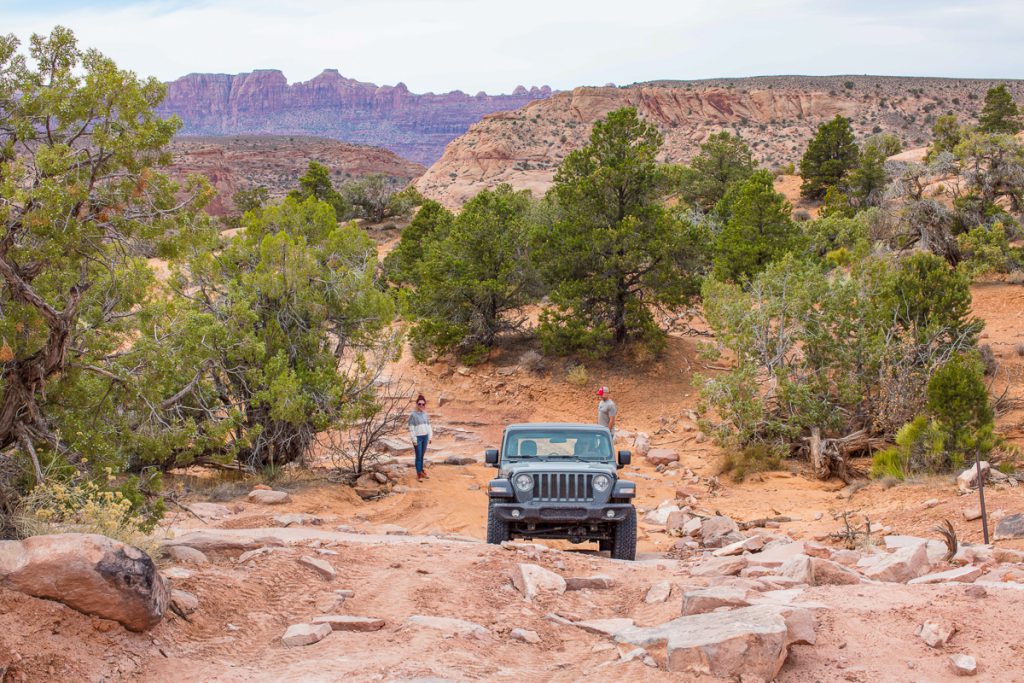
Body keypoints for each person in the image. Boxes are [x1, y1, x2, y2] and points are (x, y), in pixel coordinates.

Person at [408, 394, 433, 481]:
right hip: (418, 438)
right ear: (416, 404)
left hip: (425, 437)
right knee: (418, 456)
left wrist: (430, 437)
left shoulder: (425, 414)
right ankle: (418, 474)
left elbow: (429, 426)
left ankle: (421, 471)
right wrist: (414, 440)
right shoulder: (413, 415)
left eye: (423, 404)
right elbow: (411, 428)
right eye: (419, 404)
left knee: (422, 455)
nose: (421, 406)